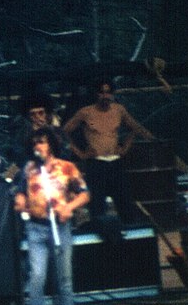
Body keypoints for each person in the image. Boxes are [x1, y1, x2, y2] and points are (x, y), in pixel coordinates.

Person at [13, 127, 90, 305]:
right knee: (37, 278)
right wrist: (20, 200)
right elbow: (18, 190)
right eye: (36, 143)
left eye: (43, 142)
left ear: (52, 145)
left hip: (60, 227)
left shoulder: (67, 167)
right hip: (36, 228)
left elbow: (85, 193)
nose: (39, 146)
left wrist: (69, 207)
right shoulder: (28, 169)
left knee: (63, 280)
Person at [62, 78, 155, 225]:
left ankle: (129, 234)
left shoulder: (119, 110)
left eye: (108, 93)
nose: (105, 96)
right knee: (97, 205)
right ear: (96, 94)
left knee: (124, 202)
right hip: (96, 164)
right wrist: (81, 154)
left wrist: (125, 147)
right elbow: (64, 132)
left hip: (115, 162)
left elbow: (135, 128)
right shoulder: (85, 112)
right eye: (102, 93)